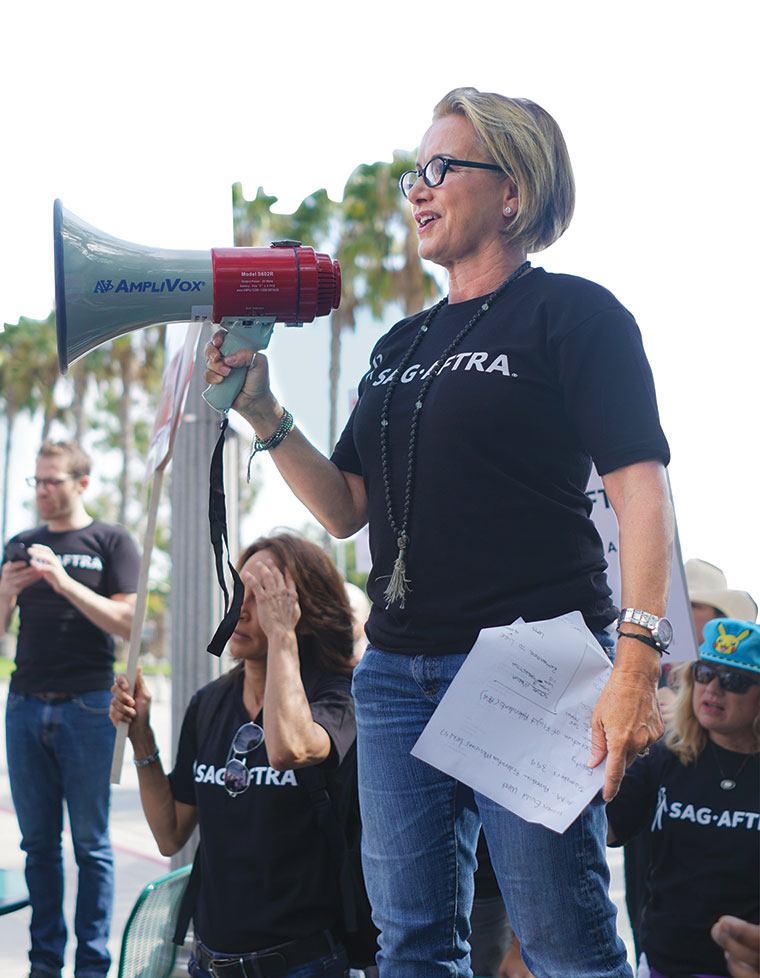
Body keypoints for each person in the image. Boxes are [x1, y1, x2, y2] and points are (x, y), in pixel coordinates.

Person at [204, 87, 674, 977]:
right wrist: (265, 412)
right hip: (393, 678)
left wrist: (636, 663)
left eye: (440, 169)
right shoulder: (399, 345)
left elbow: (641, 492)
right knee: (411, 944)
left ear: (514, 191)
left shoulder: (575, 315)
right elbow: (346, 508)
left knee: (564, 942)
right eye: (413, 174)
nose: (417, 190)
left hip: (527, 664)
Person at [109, 532, 357, 978]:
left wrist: (283, 635)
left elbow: (289, 749)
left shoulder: (337, 697)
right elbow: (170, 835)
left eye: (263, 595)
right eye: (238, 590)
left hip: (303, 965)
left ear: (301, 608)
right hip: (210, 963)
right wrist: (141, 739)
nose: (240, 608)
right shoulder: (209, 705)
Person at [0, 440, 140, 978]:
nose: (41, 491)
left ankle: (92, 966)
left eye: (51, 481)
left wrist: (62, 581)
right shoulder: (19, 544)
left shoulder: (111, 541)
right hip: (24, 706)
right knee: (37, 845)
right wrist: (6, 591)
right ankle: (44, 963)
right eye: (36, 481)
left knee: (90, 846)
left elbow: (128, 624)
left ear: (81, 483)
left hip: (88, 707)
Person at [607, 619, 760, 977]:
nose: (714, 689)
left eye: (734, 681)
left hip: (743, 964)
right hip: (663, 962)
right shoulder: (663, 756)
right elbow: (607, 829)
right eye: (705, 673)